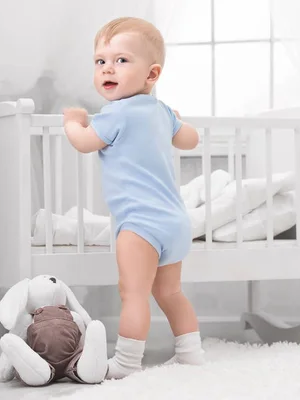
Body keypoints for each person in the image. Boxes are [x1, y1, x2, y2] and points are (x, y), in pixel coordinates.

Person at [62, 16, 204, 380]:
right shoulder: (160, 112)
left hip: (140, 225)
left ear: (151, 74)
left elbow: (82, 142)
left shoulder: (115, 115)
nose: (108, 68)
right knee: (171, 293)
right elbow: (191, 139)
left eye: (121, 60)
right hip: (175, 223)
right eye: (100, 61)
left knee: (134, 293)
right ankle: (191, 355)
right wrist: (177, 119)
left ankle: (125, 364)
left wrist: (72, 122)